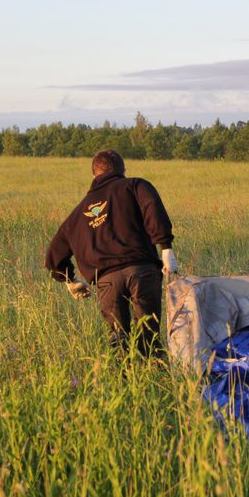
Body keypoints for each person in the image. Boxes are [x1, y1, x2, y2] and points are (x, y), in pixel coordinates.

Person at [45, 149, 178, 355]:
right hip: (141, 272)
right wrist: (166, 248)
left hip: (106, 282)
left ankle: (125, 384)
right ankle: (155, 382)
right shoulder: (135, 185)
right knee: (149, 338)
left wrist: (69, 280)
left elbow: (53, 255)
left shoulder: (79, 212)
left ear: (94, 174)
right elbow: (152, 207)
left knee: (119, 344)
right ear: (123, 170)